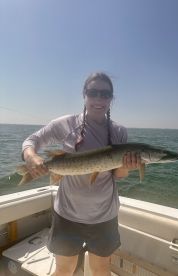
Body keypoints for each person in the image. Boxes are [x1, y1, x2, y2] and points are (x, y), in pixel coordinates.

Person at [22, 72, 140, 276]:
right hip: (67, 214)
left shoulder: (119, 132)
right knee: (64, 269)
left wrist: (126, 166)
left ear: (112, 98)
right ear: (84, 95)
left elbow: (118, 176)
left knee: (101, 269)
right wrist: (32, 158)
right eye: (93, 93)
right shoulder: (66, 124)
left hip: (105, 215)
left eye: (105, 94)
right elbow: (31, 141)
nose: (99, 99)